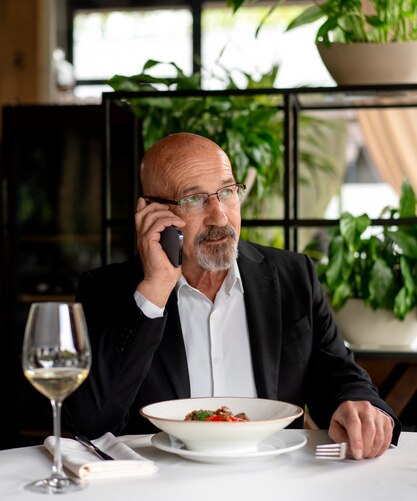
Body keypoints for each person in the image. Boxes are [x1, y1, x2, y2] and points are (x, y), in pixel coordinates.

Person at [65, 132, 400, 459]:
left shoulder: (293, 275)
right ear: (153, 212)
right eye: (194, 199)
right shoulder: (106, 290)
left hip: (277, 483)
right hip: (159, 489)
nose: (220, 216)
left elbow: (339, 376)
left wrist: (357, 405)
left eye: (227, 192)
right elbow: (91, 425)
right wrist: (153, 292)